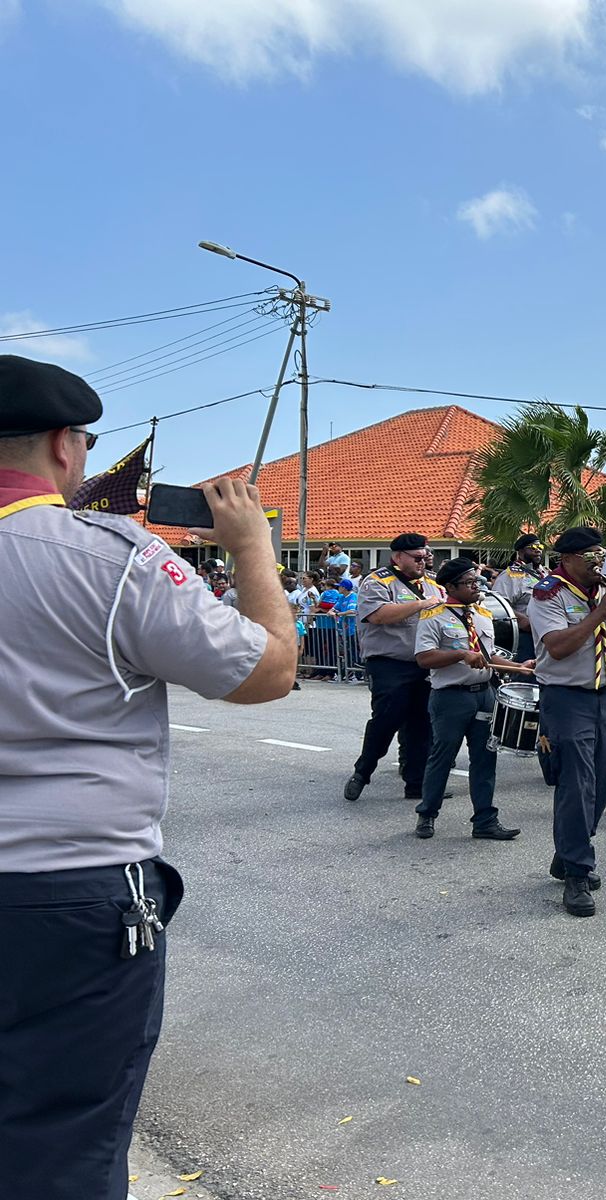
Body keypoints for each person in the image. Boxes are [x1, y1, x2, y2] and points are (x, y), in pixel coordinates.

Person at [0, 355, 298, 1197]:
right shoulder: (110, 557)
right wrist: (251, 550)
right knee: (64, 1144)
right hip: (70, 895)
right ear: (64, 446)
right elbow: (270, 671)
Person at [528, 528, 606, 915]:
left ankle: (568, 850)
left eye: (602, 554)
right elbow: (559, 648)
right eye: (590, 556)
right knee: (577, 781)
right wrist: (602, 610)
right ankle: (578, 871)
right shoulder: (548, 593)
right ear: (567, 559)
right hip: (567, 697)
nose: (599, 562)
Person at [412, 557, 530, 842]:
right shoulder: (433, 616)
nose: (477, 587)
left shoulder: (482, 614)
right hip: (451, 697)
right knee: (442, 757)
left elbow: (488, 657)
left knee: (485, 758)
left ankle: (485, 820)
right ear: (451, 586)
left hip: (484, 695)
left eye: (477, 581)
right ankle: (427, 814)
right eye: (469, 583)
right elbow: (424, 657)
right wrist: (460, 654)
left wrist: (520, 667)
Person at [344, 533, 443, 802]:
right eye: (417, 558)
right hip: (390, 664)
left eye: (426, 557)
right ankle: (362, 773)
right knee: (387, 719)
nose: (423, 562)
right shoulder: (376, 582)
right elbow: (378, 615)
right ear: (398, 557)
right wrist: (421, 604)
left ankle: (417, 784)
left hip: (423, 663)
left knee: (422, 724)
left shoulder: (433, 584)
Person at [489, 533, 544, 662]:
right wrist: (523, 621)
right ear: (520, 551)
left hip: (546, 633)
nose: (537, 551)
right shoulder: (510, 575)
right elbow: (499, 607)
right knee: (527, 675)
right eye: (532, 548)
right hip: (525, 635)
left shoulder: (545, 574)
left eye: (540, 547)